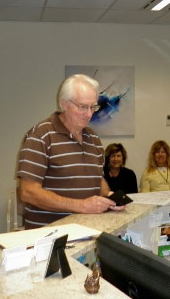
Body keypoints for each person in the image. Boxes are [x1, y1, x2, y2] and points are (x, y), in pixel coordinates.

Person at [17, 74, 124, 229]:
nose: (89, 114)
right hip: (49, 237)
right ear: (64, 104)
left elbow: (97, 180)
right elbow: (28, 192)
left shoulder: (93, 138)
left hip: (87, 231)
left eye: (93, 107)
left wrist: (109, 198)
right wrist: (81, 206)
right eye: (82, 107)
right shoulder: (40, 136)